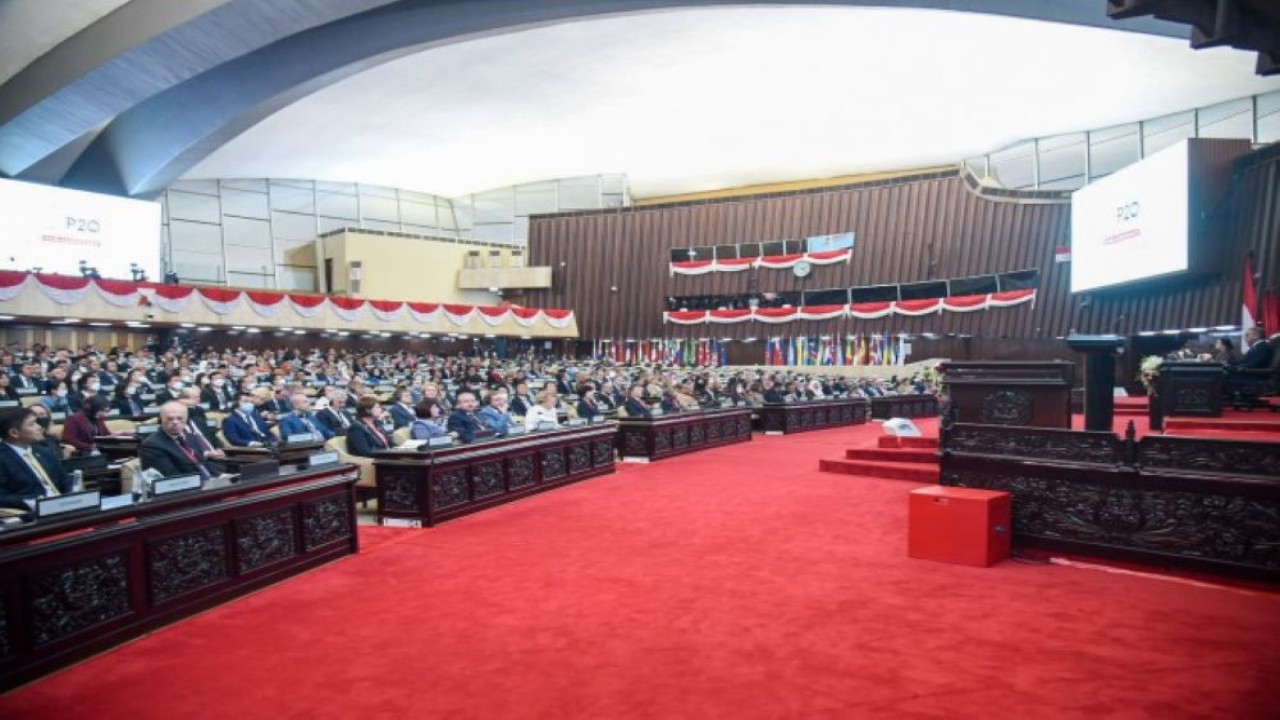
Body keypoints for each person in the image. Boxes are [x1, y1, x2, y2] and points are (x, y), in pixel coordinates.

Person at [0, 407, 73, 511]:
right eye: (32, 424)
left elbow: (64, 480)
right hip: (30, 514)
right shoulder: (2, 458)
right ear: (14, 433)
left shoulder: (45, 452)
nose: (39, 427)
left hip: (62, 507)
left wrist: (73, 493)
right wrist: (33, 502)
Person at [140, 401, 226, 479]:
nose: (175, 422)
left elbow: (201, 464)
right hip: (185, 490)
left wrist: (221, 476)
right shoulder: (152, 445)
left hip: (207, 482)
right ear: (161, 419)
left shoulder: (190, 437)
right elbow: (173, 476)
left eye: (179, 418)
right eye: (170, 419)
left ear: (186, 419)